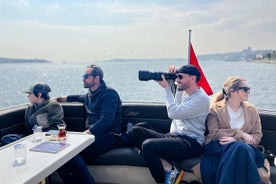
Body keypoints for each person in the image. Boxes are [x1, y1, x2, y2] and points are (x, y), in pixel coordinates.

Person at [123, 64, 210, 184]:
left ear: (193, 79)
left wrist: (167, 89)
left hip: (191, 143)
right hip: (174, 136)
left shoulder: (201, 99)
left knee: (148, 145)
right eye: (177, 77)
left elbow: (173, 113)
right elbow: (177, 102)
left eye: (180, 77)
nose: (177, 80)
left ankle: (164, 181)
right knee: (136, 131)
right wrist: (172, 82)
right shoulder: (184, 91)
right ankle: (169, 168)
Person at [56, 64, 122, 184]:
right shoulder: (89, 95)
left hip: (109, 135)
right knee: (61, 156)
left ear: (96, 78)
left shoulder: (109, 94)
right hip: (91, 136)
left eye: (86, 76)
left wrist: (85, 134)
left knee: (70, 153)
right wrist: (58, 99)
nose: (83, 78)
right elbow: (77, 97)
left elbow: (106, 120)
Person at [200, 77, 267, 184]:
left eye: (248, 89)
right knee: (240, 150)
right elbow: (214, 133)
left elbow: (257, 135)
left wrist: (236, 140)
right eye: (245, 89)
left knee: (239, 147)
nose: (248, 92)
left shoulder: (252, 110)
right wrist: (241, 134)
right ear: (232, 91)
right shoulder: (215, 109)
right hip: (219, 147)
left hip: (246, 148)